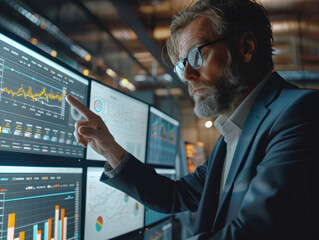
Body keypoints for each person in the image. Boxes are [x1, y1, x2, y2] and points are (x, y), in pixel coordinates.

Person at [66, 0, 319, 239]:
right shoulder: (228, 139)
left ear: (246, 48)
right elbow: (173, 196)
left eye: (198, 55)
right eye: (182, 64)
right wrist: (111, 150)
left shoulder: (300, 112)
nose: (187, 74)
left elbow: (255, 232)